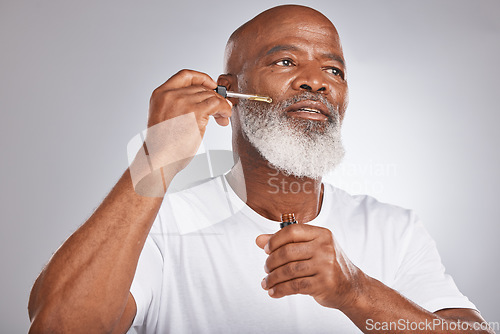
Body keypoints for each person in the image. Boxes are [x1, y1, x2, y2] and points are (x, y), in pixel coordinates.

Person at [28, 5, 493, 334]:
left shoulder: (395, 229)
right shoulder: (161, 225)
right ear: (228, 93)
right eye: (286, 61)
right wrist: (155, 159)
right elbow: (58, 327)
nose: (316, 81)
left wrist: (356, 292)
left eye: (335, 70)